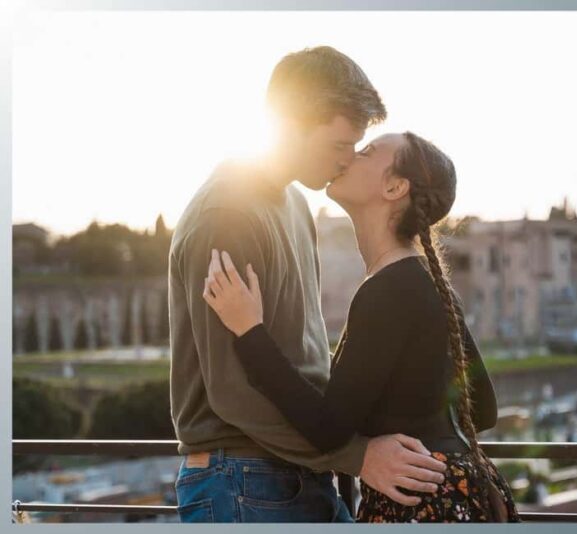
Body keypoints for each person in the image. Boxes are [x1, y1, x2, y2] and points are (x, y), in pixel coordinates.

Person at [169, 46, 447, 523]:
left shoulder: (295, 205)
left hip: (296, 470)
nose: (346, 161)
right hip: (242, 478)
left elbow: (303, 358)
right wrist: (358, 457)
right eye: (341, 145)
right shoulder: (228, 216)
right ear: (292, 123)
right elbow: (232, 392)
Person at [202, 131, 520, 522]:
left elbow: (327, 427)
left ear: (394, 186)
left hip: (420, 503)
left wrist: (249, 330)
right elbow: (482, 408)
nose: (350, 155)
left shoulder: (388, 290)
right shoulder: (427, 283)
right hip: (460, 493)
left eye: (367, 151)